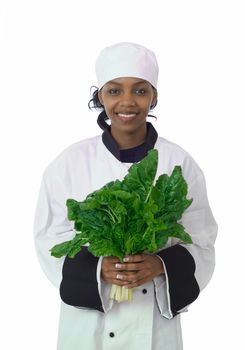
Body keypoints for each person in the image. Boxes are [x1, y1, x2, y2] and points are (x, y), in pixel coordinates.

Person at [34, 42, 217, 350]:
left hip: (154, 327)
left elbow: (202, 241)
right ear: (100, 96)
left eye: (141, 91)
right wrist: (97, 268)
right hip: (87, 327)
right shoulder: (68, 163)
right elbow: (48, 239)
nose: (128, 102)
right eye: (115, 91)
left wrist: (159, 266)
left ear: (154, 96)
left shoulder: (180, 163)